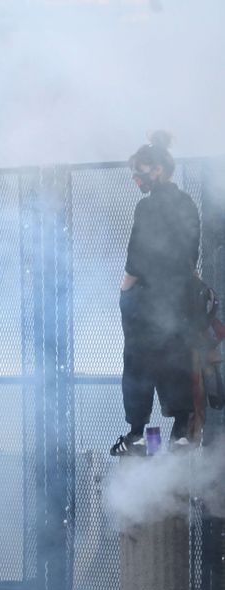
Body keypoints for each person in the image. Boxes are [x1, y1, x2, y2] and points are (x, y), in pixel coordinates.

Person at [111, 131, 200, 456]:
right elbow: (193, 255)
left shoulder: (147, 209)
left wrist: (125, 293)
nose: (136, 180)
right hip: (178, 300)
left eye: (140, 172)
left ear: (157, 169)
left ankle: (138, 435)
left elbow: (135, 259)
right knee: (176, 359)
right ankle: (181, 432)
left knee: (137, 364)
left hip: (146, 302)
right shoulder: (188, 205)